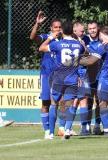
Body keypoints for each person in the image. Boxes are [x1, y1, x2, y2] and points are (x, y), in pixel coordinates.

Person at [39, 20, 85, 139]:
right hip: (72, 78)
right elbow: (86, 51)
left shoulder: (57, 44)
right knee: (70, 105)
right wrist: (78, 40)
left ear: (62, 31)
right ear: (72, 31)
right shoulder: (78, 45)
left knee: (54, 104)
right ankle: (68, 129)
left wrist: (50, 38)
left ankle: (49, 133)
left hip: (59, 78)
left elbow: (41, 48)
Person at [79, 25, 108, 136]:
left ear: (102, 34)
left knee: (102, 103)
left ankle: (106, 131)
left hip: (105, 78)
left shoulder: (103, 46)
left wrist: (77, 60)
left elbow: (91, 62)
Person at [30, 11, 62, 139]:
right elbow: (33, 37)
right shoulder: (46, 37)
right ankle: (46, 131)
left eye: (60, 27)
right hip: (46, 75)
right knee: (45, 103)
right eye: (55, 27)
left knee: (58, 103)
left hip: (59, 76)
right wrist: (37, 24)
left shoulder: (64, 40)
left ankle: (56, 129)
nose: (58, 29)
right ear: (51, 28)